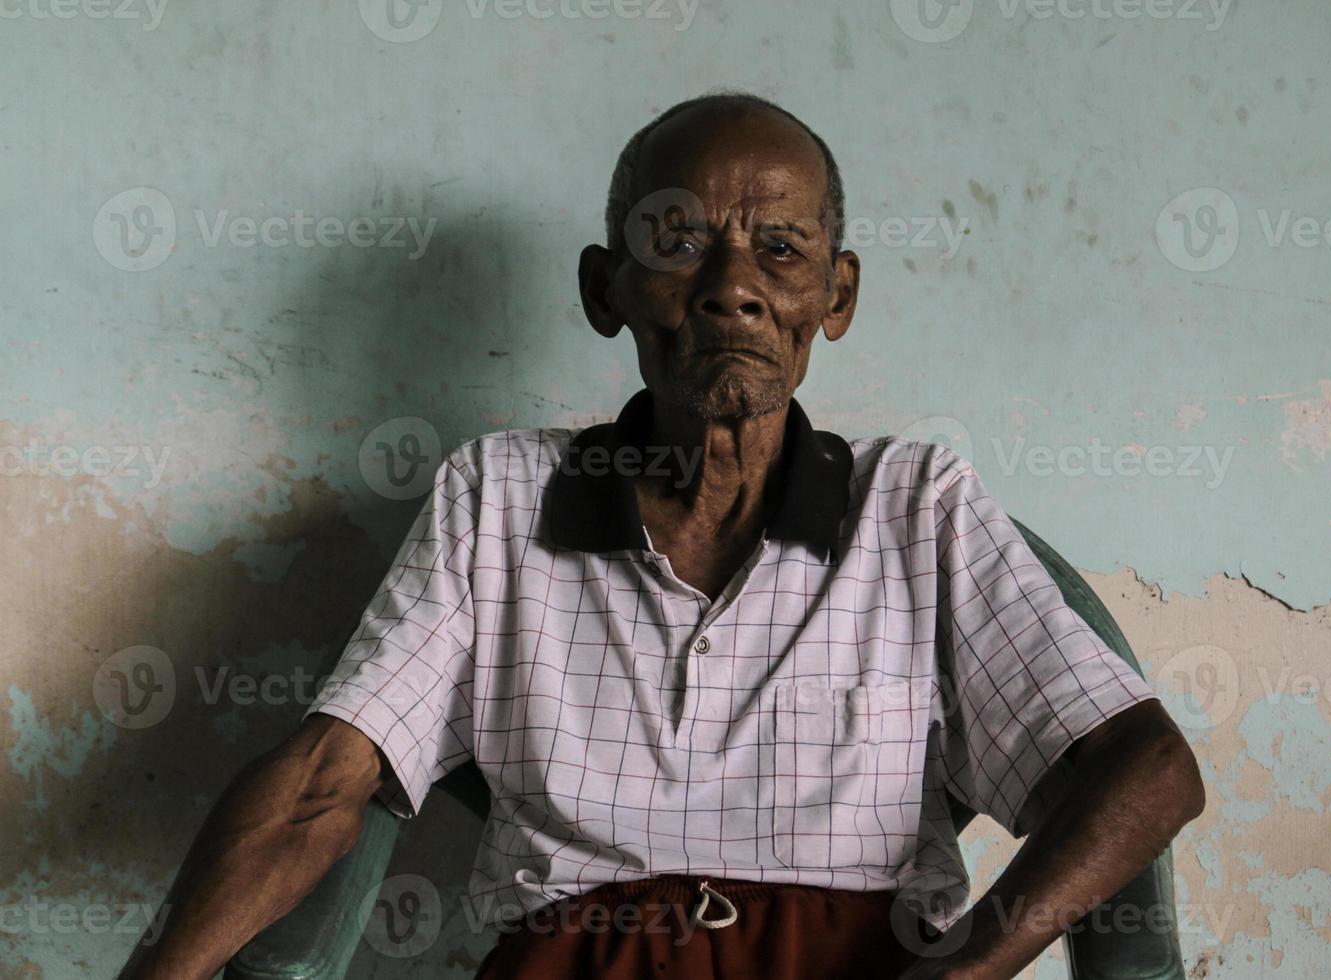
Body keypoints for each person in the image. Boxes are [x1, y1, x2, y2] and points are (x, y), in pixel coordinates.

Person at [118, 91, 1205, 980]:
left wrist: (969, 965)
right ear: (609, 289)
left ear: (837, 293)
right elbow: (322, 782)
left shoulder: (916, 507)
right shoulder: (498, 497)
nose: (734, 288)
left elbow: (1146, 769)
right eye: (680, 242)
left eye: (780, 249)